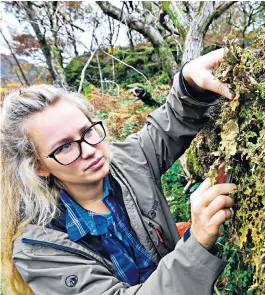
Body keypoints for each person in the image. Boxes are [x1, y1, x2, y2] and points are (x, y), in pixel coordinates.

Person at [1, 49, 236, 295]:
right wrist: (196, 243)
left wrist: (189, 82)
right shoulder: (40, 248)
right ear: (38, 166)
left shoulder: (126, 162)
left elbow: (168, 126)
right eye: (65, 146)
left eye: (87, 131)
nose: (90, 150)